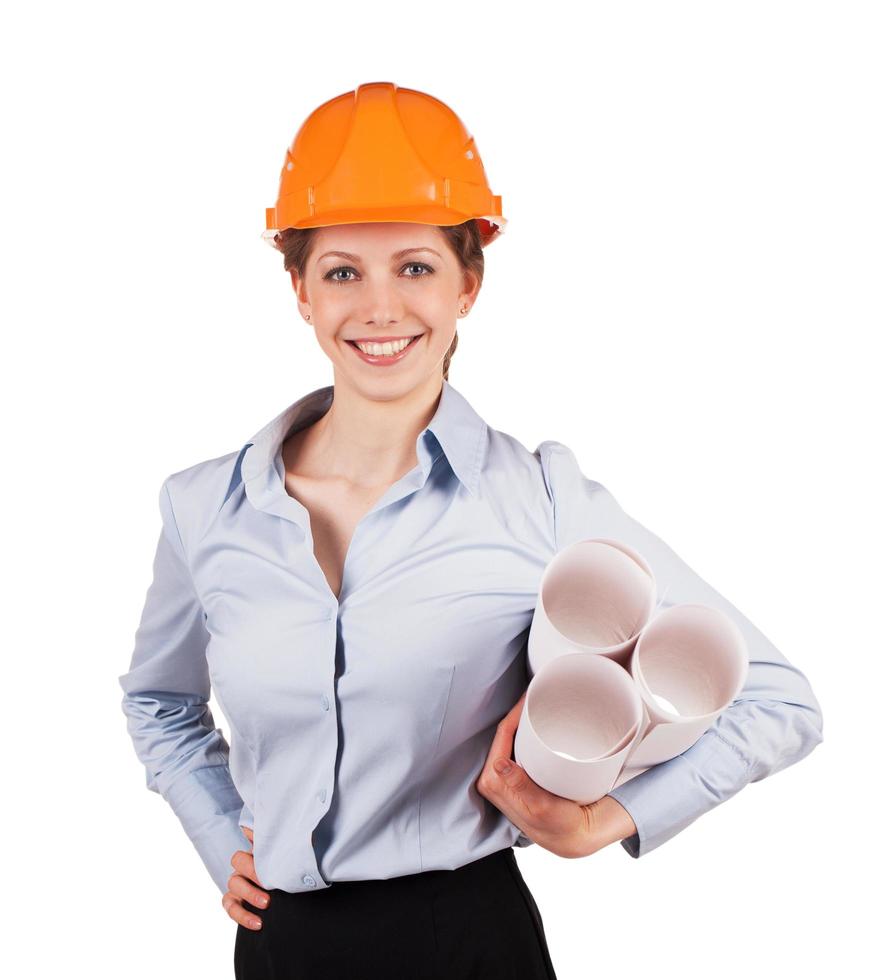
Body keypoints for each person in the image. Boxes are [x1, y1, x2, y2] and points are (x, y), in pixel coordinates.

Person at [118, 82, 824, 980]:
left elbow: (779, 701)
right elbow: (159, 703)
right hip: (280, 949)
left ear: (468, 285)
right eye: (342, 271)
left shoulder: (537, 500)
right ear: (298, 288)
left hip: (468, 943)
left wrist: (606, 821)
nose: (379, 309)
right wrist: (224, 839)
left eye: (414, 267)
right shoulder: (203, 507)